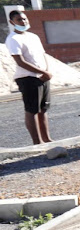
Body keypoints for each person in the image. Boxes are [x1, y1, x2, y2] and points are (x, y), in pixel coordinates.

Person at [5, 10, 54, 144]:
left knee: (43, 109)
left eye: (25, 19)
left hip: (43, 77)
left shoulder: (33, 36)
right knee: (32, 110)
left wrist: (46, 72)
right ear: (12, 22)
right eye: (19, 20)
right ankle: (37, 142)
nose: (23, 22)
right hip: (28, 78)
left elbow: (43, 55)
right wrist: (41, 72)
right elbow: (20, 61)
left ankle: (47, 139)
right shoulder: (13, 39)